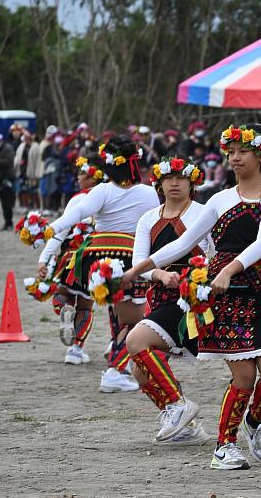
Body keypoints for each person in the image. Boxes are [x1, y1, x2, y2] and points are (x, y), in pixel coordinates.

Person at [122, 123, 261, 470]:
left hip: (257, 290)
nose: (234, 158)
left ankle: (254, 424)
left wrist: (230, 269)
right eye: (230, 152)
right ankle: (224, 447)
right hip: (224, 297)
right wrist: (137, 269)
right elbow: (183, 244)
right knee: (245, 377)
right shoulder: (219, 199)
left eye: (242, 151)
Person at [48, 136, 159, 393]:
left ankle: (114, 354)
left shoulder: (101, 191)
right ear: (135, 163)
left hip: (98, 262)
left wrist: (51, 228)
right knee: (133, 319)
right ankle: (115, 370)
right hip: (131, 258)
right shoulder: (149, 193)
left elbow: (77, 213)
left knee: (117, 311)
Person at [126, 155, 209, 445]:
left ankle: (177, 404)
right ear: (159, 183)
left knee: (135, 343)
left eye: (181, 178)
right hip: (160, 296)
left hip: (194, 301)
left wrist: (197, 279)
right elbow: (139, 264)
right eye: (168, 178)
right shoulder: (148, 218)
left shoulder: (203, 213)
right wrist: (159, 275)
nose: (174, 183)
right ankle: (187, 428)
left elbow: (216, 255)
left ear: (192, 181)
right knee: (138, 368)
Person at [37, 154, 106, 365]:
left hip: (71, 255)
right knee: (86, 305)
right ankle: (75, 349)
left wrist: (44, 258)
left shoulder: (78, 199)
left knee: (62, 293)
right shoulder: (112, 197)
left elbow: (61, 229)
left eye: (82, 173)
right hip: (97, 255)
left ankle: (63, 310)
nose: (78, 177)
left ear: (95, 176)